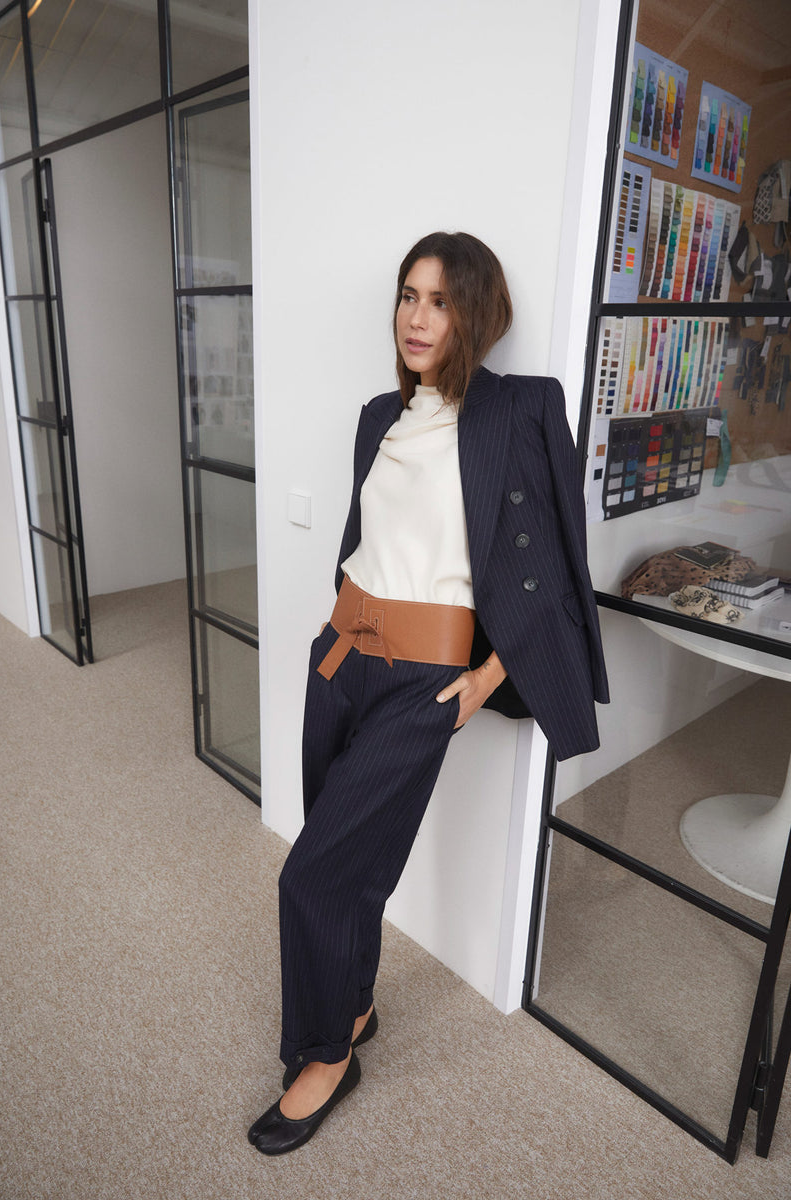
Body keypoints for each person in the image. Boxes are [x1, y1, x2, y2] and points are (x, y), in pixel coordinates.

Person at [247, 231, 609, 1156]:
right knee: (348, 859)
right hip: (343, 656)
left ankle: (327, 1056)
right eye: (409, 295)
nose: (416, 316)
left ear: (475, 313)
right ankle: (354, 1004)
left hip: (426, 682)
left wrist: (483, 680)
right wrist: (333, 630)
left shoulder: (520, 411)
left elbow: (554, 570)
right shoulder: (380, 415)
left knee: (312, 872)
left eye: (440, 301)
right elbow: (366, 538)